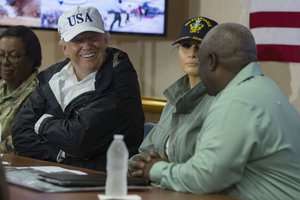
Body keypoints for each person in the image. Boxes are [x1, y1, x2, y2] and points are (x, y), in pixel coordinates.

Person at [131, 22, 300, 200]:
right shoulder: (265, 87)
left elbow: (204, 178)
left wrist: (155, 169)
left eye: (201, 61)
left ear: (211, 61)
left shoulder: (236, 100)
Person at [11, 6, 144, 171]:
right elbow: (20, 134)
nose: (87, 46)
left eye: (93, 38)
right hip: (55, 175)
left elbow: (80, 139)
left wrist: (43, 124)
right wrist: (60, 155)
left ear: (105, 40)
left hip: (106, 179)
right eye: (77, 40)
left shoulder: (121, 78)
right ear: (65, 48)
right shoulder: (51, 78)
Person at [128, 15, 217, 182]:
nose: (192, 53)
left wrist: (162, 169)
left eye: (201, 46)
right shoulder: (174, 98)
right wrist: (133, 168)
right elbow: (145, 151)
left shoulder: (220, 101)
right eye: (186, 46)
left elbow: (209, 169)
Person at [0, 25, 41, 153]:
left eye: (14, 55)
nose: (5, 61)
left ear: (32, 58)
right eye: (1, 54)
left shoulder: (40, 94)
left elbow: (22, 142)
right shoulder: (2, 86)